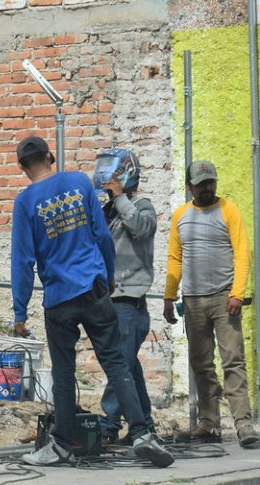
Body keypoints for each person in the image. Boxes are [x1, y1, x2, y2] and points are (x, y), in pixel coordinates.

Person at [10, 136, 173, 468]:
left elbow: (22, 261)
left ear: (22, 167)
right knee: (116, 363)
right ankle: (142, 432)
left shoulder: (25, 201)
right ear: (50, 156)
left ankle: (61, 445)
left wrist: (20, 311)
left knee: (64, 372)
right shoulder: (79, 182)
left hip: (59, 298)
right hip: (94, 288)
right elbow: (101, 236)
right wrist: (108, 275)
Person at [163, 160, 259, 447]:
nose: (207, 187)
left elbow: (242, 254)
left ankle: (243, 424)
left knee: (233, 360)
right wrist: (169, 296)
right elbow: (175, 260)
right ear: (189, 186)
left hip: (223, 298)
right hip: (192, 300)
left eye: (211, 182)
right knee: (201, 364)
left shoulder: (229, 211)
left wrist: (237, 293)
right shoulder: (180, 215)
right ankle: (209, 422)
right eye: (201, 183)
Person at [92, 148, 157, 444]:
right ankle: (145, 424)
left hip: (130, 302)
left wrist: (119, 197)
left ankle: (109, 424)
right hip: (109, 300)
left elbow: (141, 229)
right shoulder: (105, 212)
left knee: (120, 366)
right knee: (128, 366)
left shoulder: (142, 206)